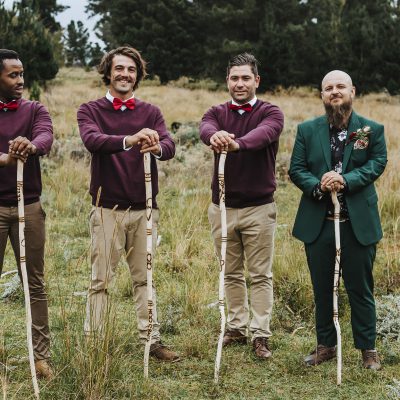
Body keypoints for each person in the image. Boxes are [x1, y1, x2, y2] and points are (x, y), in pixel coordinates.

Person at [77, 46, 179, 361]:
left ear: (138, 75)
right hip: (107, 208)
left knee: (144, 277)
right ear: (108, 72)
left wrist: (157, 146)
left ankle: (151, 340)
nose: (125, 74)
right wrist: (130, 140)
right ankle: (94, 343)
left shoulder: (150, 111)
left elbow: (170, 145)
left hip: (146, 209)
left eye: (131, 70)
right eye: (119, 68)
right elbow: (92, 140)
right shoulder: (90, 110)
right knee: (100, 279)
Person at [289, 70, 387, 370]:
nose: (335, 91)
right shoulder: (307, 130)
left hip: (356, 224)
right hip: (319, 223)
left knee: (360, 288)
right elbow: (297, 169)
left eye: (340, 86)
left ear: (352, 91)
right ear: (322, 95)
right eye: (328, 88)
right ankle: (326, 345)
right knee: (322, 288)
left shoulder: (371, 129)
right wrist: (319, 185)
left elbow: (377, 163)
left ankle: (367, 348)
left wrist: (345, 179)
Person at [200, 53, 284, 359]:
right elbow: (205, 128)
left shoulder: (271, 112)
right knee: (230, 272)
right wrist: (215, 135)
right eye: (234, 78)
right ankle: (236, 326)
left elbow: (264, 135)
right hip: (221, 207)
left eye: (246, 78)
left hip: (259, 208)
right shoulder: (216, 112)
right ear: (227, 81)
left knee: (260, 274)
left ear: (256, 81)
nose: (239, 83)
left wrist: (237, 143)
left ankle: (260, 333)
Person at [0, 49, 53, 378]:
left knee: (34, 282)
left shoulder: (34, 109)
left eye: (22, 74)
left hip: (28, 207)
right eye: (13, 75)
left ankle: (41, 356)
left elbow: (46, 136)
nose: (21, 81)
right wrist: (5, 158)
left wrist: (31, 146)